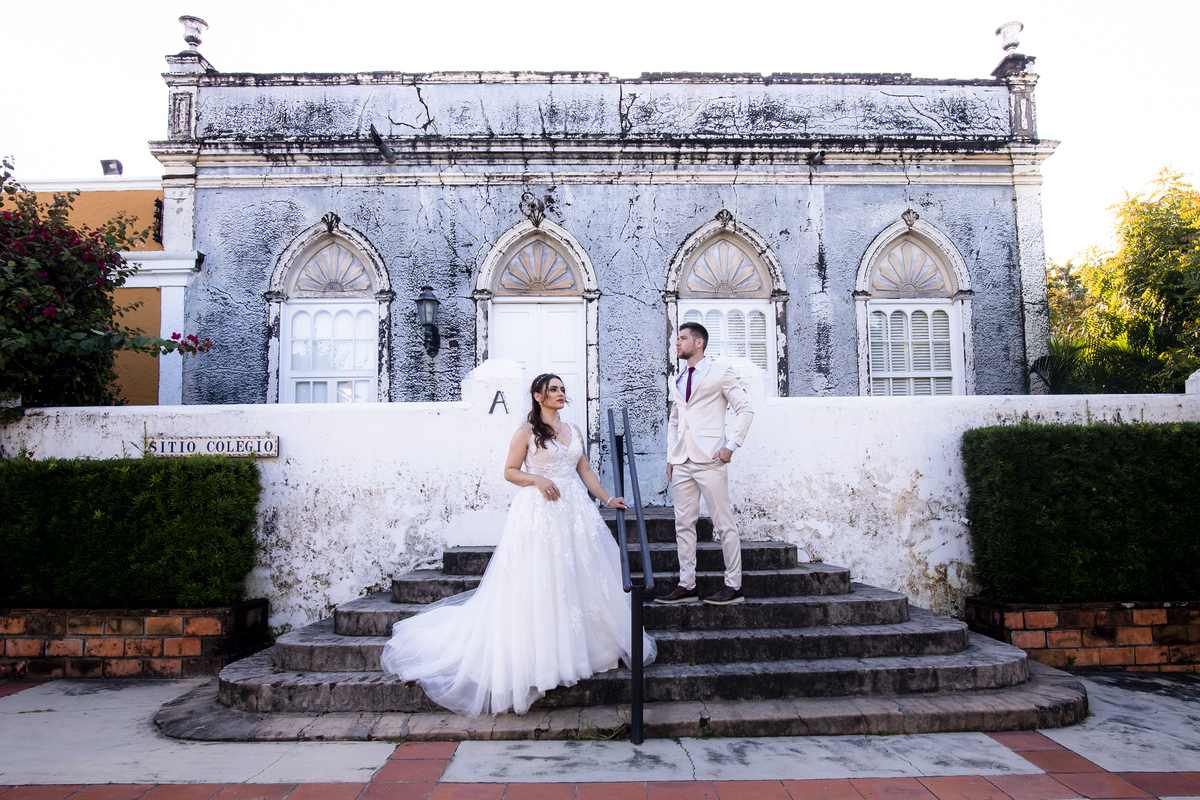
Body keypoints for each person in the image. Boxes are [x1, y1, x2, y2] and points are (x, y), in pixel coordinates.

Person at [380, 373, 657, 717]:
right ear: (538, 396)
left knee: (581, 577)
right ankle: (542, 658)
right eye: (552, 389)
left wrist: (606, 497)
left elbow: (584, 469)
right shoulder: (526, 432)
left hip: (575, 510)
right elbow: (510, 471)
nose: (560, 394)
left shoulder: (574, 431)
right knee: (541, 580)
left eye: (562, 389)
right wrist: (537, 479)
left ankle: (587, 649)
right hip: (540, 511)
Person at [656, 322, 754, 606]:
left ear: (698, 343)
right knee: (683, 524)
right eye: (677, 339)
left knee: (724, 524)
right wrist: (671, 456)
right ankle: (687, 585)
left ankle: (733, 585)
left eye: (683, 339)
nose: (678, 343)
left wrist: (730, 446)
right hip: (682, 460)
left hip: (711, 458)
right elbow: (676, 420)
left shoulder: (719, 372)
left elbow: (745, 409)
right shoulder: (676, 378)